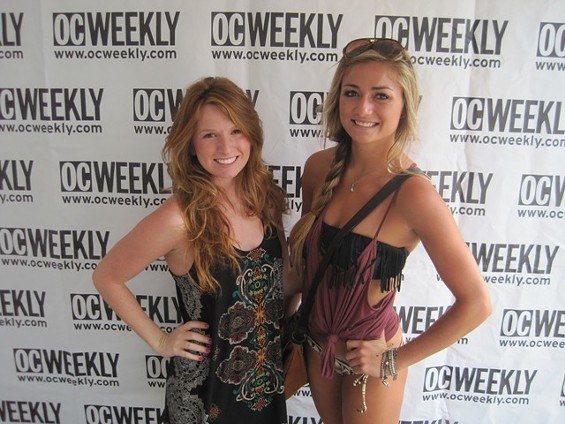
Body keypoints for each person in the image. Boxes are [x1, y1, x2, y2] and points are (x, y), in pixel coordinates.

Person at [288, 38, 492, 424]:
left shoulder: (413, 194)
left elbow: (477, 303)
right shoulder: (317, 169)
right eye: (351, 92)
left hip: (372, 361)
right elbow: (305, 266)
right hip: (316, 348)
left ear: (404, 105)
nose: (363, 108)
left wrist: (392, 360)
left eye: (380, 96)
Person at [93, 76, 290, 424]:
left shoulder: (266, 200)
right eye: (210, 135)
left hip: (264, 386)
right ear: (192, 144)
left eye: (236, 131)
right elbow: (107, 277)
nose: (225, 147)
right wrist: (160, 342)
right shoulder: (180, 217)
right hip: (204, 396)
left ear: (251, 135)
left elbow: (282, 283)